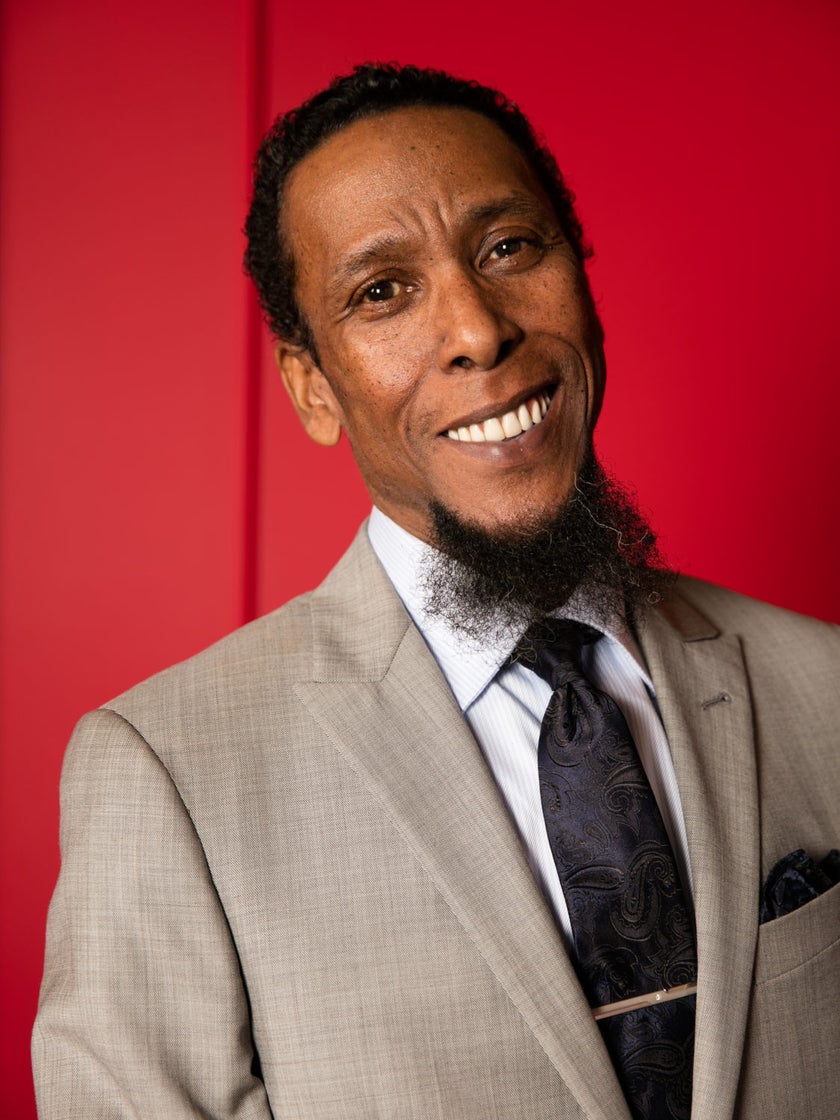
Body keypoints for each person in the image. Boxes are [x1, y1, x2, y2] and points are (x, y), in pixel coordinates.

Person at [33, 63, 839, 1120]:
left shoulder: (825, 686)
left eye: (509, 248)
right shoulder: (168, 775)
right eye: (383, 292)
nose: (477, 330)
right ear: (312, 386)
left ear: (585, 278)